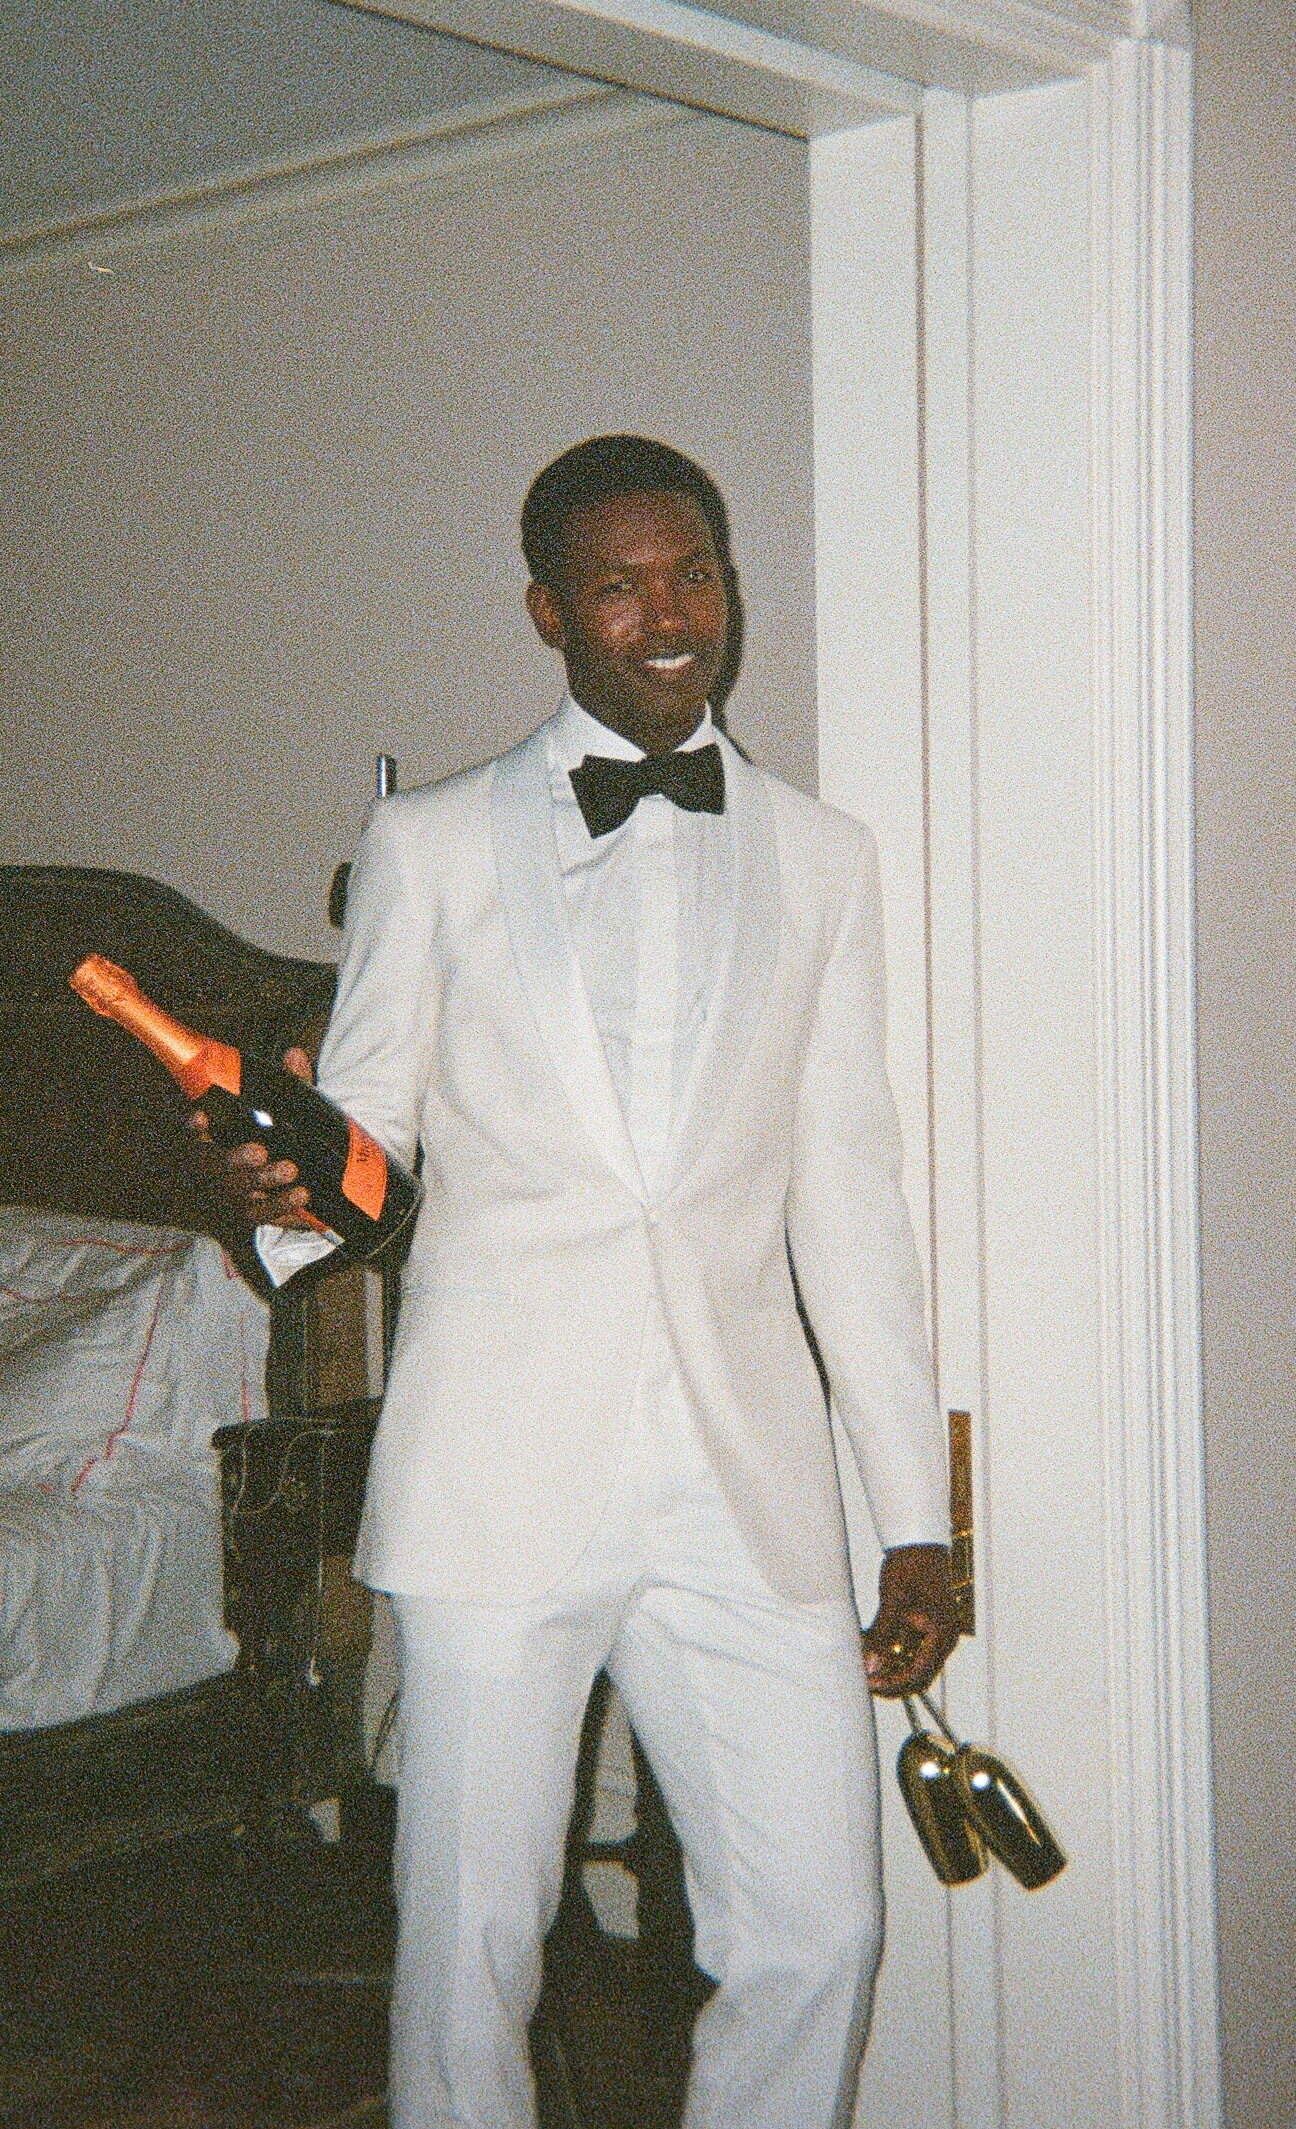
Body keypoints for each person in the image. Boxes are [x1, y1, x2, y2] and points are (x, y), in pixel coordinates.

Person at [212, 434, 956, 2128]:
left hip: (744, 1481)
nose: (667, 610)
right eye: (620, 582)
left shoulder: (825, 858)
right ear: (550, 609)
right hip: (499, 1474)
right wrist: (289, 1190)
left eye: (692, 570)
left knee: (823, 1930)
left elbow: (850, 1197)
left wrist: (913, 1508)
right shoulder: (435, 843)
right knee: (471, 1941)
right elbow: (370, 1136)